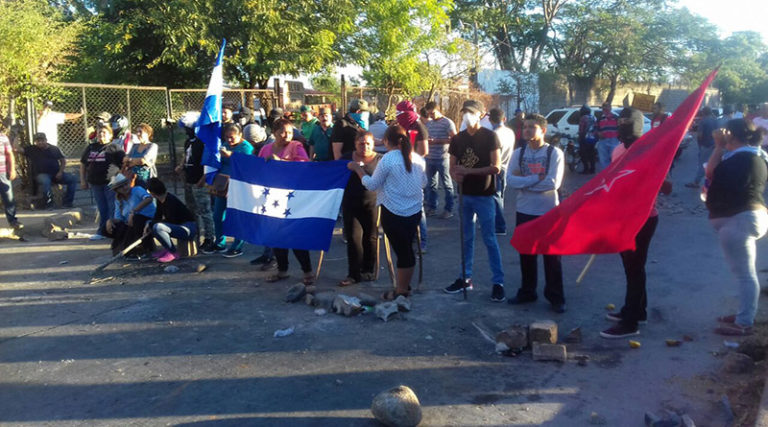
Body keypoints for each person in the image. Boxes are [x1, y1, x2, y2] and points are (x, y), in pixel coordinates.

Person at [601, 108, 672, 338]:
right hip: (622, 217)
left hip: (643, 218)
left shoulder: (651, 150)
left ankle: (630, 323)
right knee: (630, 268)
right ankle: (637, 310)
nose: (623, 126)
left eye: (628, 123)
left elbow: (667, 187)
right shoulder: (618, 150)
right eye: (620, 122)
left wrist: (653, 173)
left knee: (634, 268)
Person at [706, 119, 768, 336]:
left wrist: (718, 146)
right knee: (744, 273)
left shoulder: (743, 157)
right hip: (744, 217)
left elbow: (710, 173)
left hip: (739, 219)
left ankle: (744, 322)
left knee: (745, 274)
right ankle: (744, 314)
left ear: (731, 136)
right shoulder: (752, 155)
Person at [350, 125, 426, 300]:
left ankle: (401, 291)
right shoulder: (417, 158)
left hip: (393, 211)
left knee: (403, 252)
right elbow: (423, 182)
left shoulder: (388, 159)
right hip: (414, 210)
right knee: (406, 249)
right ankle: (404, 286)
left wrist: (358, 169)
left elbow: (371, 184)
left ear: (385, 141)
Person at [443, 100, 505, 302]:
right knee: (466, 238)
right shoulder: (458, 139)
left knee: (489, 239)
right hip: (465, 194)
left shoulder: (490, 136)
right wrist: (455, 176)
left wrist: (469, 171)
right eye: (464, 112)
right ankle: (465, 277)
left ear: (480, 114)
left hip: (484, 193)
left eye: (471, 112)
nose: (467, 115)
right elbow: (452, 166)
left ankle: (498, 282)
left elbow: (496, 167)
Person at [506, 113, 566, 313]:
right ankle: (527, 291)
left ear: (543, 130)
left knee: (551, 256)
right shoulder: (518, 153)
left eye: (532, 127)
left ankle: (556, 296)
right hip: (524, 210)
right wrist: (535, 178)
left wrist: (524, 180)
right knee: (526, 253)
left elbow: (553, 183)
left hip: (548, 211)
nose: (527, 131)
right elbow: (510, 181)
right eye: (525, 127)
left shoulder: (554, 153)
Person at [258, 118, 314, 284]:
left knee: (296, 236)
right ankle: (282, 270)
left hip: (293, 198)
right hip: (272, 198)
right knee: (276, 237)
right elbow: (258, 168)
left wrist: (281, 162)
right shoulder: (266, 149)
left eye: (290, 132)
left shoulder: (296, 146)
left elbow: (305, 166)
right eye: (282, 132)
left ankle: (308, 272)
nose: (286, 136)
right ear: (273, 133)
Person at [338, 131, 382, 287]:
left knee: (371, 237)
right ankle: (353, 274)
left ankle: (368, 269)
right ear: (355, 144)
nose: (365, 146)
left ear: (373, 144)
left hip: (372, 203)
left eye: (368, 143)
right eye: (361, 143)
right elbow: (334, 175)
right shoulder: (346, 158)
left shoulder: (380, 159)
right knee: (353, 238)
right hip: (350, 203)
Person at [209, 123, 254, 257]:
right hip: (222, 185)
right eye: (227, 137)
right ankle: (220, 241)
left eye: (232, 137)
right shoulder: (224, 144)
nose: (229, 140)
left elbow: (246, 164)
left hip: (238, 186)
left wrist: (229, 155)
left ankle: (237, 245)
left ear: (240, 135)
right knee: (218, 215)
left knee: (236, 216)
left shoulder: (246, 147)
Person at [175, 112, 215, 253]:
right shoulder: (188, 143)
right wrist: (181, 167)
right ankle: (195, 236)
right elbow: (187, 158)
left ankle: (210, 238)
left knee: (205, 211)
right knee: (192, 211)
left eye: (188, 128)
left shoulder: (203, 143)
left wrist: (203, 179)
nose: (186, 131)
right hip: (189, 180)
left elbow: (207, 163)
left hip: (200, 181)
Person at [395, 100, 429, 252]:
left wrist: (410, 158)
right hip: (401, 169)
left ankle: (423, 241)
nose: (398, 116)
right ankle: (410, 235)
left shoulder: (419, 127)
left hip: (415, 169)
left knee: (418, 206)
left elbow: (424, 151)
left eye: (400, 113)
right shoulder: (400, 127)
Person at [81, 125, 125, 240]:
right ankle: (102, 231)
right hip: (95, 182)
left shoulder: (115, 148)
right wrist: (83, 180)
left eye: (104, 132)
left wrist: (119, 178)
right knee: (102, 208)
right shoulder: (91, 147)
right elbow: (83, 164)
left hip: (110, 183)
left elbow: (124, 163)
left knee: (112, 207)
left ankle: (112, 230)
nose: (101, 135)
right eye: (99, 132)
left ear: (110, 135)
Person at [145, 178, 198, 263]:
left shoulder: (170, 200)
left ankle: (173, 252)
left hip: (187, 228)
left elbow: (172, 220)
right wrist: (149, 224)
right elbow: (157, 216)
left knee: (158, 227)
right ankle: (167, 248)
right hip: (177, 225)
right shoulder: (160, 200)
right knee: (150, 224)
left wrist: (153, 224)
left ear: (153, 193)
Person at [105, 173, 156, 259]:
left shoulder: (137, 190)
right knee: (114, 227)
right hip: (130, 222)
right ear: (117, 190)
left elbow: (148, 199)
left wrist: (133, 211)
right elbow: (119, 218)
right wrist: (110, 221)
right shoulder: (118, 200)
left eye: (126, 184)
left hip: (147, 218)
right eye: (121, 187)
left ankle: (143, 247)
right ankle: (123, 249)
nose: (125, 187)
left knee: (136, 219)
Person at [23, 133, 78, 209]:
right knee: (46, 181)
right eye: (38, 141)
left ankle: (67, 203)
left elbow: (63, 161)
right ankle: (49, 204)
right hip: (41, 174)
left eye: (42, 140)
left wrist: (60, 172)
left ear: (46, 140)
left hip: (56, 173)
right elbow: (17, 149)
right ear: (35, 142)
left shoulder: (54, 149)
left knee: (73, 179)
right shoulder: (32, 149)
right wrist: (14, 134)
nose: (40, 142)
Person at [424, 101, 457, 219]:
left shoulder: (447, 122)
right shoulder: (429, 124)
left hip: (442, 157)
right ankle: (432, 207)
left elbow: (454, 138)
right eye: (429, 114)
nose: (431, 116)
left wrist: (437, 141)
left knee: (447, 184)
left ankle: (449, 209)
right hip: (430, 157)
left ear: (438, 110)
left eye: (432, 113)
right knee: (431, 184)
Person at [488, 108, 515, 235]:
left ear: (490, 119)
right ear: (504, 119)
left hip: (496, 168)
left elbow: (492, 154)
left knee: (495, 197)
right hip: (506, 166)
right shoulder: (509, 132)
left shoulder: (494, 134)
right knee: (500, 196)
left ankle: (499, 226)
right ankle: (497, 223)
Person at [686, 107, 718, 188]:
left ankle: (696, 182)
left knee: (702, 164)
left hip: (705, 145)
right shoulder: (715, 120)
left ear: (703, 113)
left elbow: (700, 135)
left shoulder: (703, 121)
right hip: (714, 144)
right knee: (711, 163)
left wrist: (699, 144)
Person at [123, 123, 158, 188]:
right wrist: (135, 161)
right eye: (137, 132)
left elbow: (143, 160)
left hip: (146, 178)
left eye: (140, 132)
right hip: (132, 178)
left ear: (148, 134)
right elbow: (125, 159)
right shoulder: (135, 146)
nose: (138, 134)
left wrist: (131, 161)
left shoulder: (152, 146)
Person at [0, 130, 22, 233]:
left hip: (3, 172)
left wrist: (12, 169)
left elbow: (9, 154)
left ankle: (13, 221)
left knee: (8, 197)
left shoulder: (3, 137)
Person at [596, 102, 619, 170]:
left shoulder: (616, 117)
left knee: (614, 158)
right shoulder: (599, 118)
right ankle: (606, 175)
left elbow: (620, 127)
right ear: (602, 109)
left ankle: (612, 173)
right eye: (604, 107)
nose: (606, 109)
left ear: (610, 108)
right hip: (603, 140)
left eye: (607, 107)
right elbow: (596, 128)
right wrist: (598, 133)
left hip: (614, 140)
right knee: (603, 159)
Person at [577, 105, 598, 174]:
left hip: (584, 139)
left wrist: (580, 137)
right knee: (592, 154)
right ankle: (592, 169)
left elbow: (581, 130)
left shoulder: (583, 118)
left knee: (583, 154)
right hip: (593, 139)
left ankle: (586, 169)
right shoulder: (594, 117)